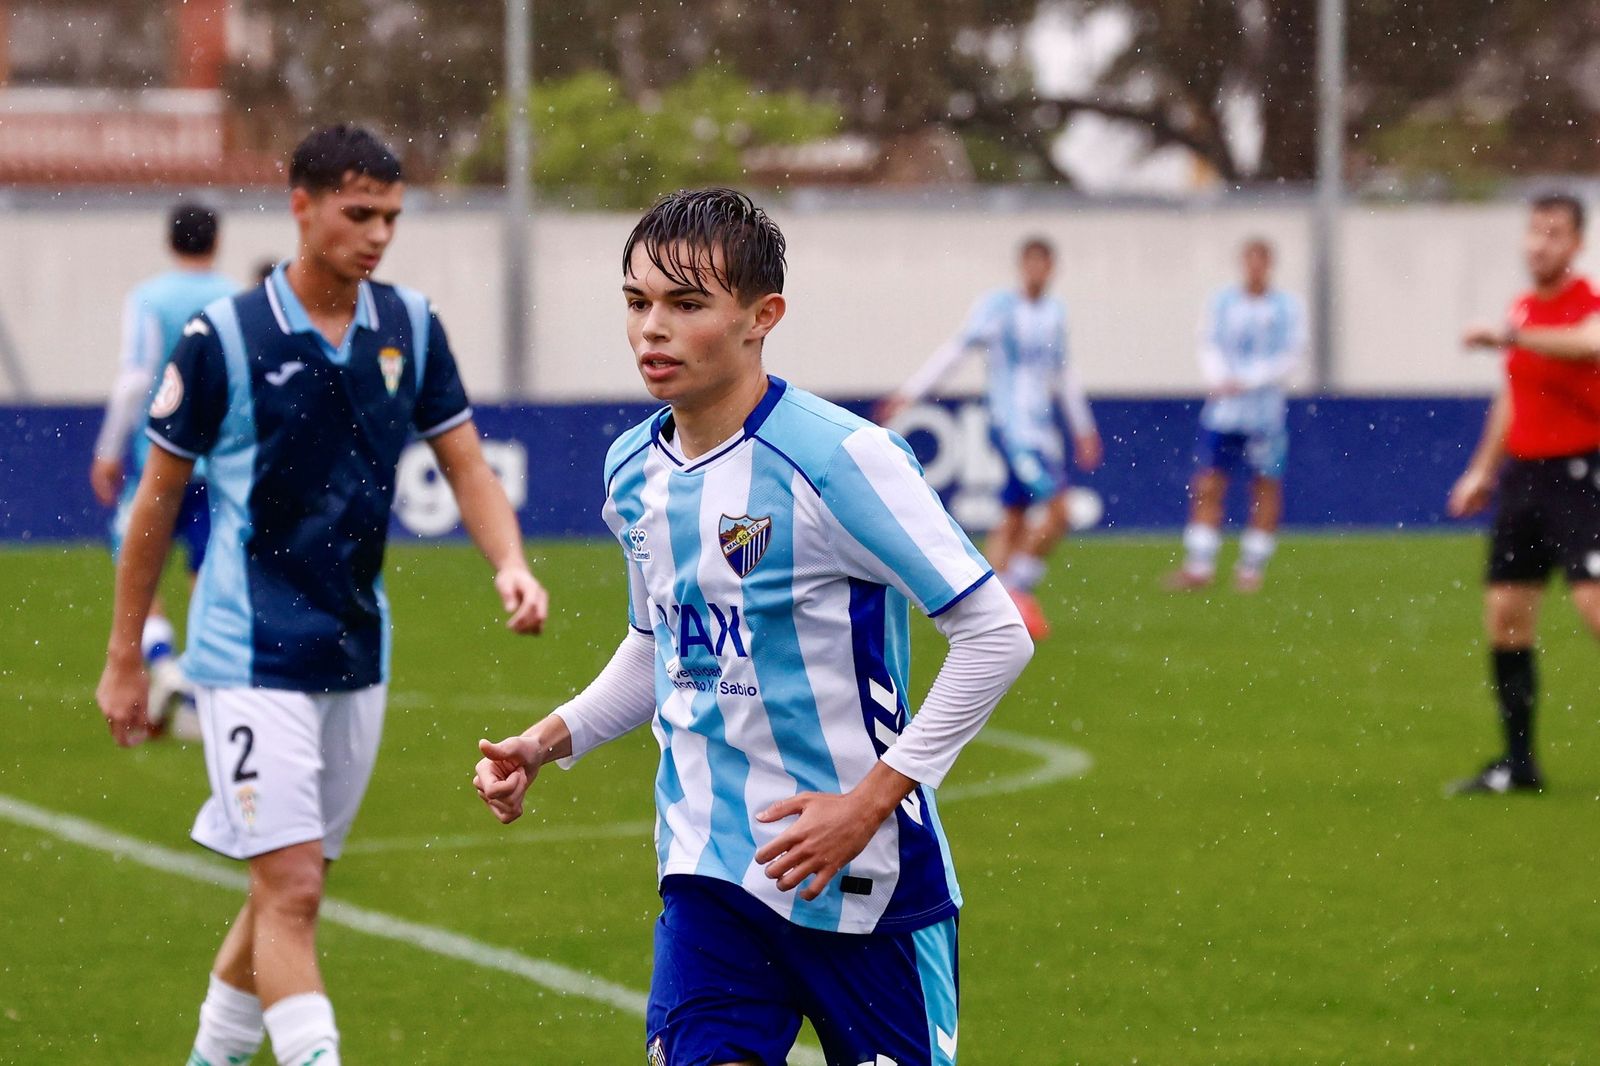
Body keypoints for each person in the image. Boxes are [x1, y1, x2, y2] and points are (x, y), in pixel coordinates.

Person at [474, 188, 1033, 1066]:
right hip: (711, 873)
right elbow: (659, 645)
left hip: (867, 886)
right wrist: (545, 742)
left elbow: (996, 634)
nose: (653, 329)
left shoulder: (842, 459)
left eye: (686, 304)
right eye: (637, 302)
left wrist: (867, 805)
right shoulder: (632, 471)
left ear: (761, 317)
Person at [95, 125, 550, 1066]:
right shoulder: (223, 338)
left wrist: (508, 560)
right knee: (294, 890)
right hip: (247, 651)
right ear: (300, 206)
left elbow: (465, 463)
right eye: (359, 213)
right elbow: (156, 502)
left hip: (355, 649)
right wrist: (124, 657)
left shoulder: (410, 326)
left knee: (284, 892)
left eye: (391, 216)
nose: (379, 234)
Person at [875, 236, 1103, 639]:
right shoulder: (998, 308)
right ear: (1021, 266)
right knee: (1060, 510)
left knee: (1013, 517)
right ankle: (1015, 592)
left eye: (1043, 264)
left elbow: (1064, 373)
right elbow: (956, 350)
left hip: (1041, 431)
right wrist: (911, 393)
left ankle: (989, 605)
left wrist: (1082, 427)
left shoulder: (1055, 313)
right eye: (1030, 263)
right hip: (1012, 430)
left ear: (1052, 268)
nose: (1037, 271)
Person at [1449, 192, 1600, 795]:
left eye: (1554, 233)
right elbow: (1514, 396)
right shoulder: (1523, 310)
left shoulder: (1585, 304)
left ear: (1576, 244)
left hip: (1582, 475)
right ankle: (1518, 765)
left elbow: (1589, 343)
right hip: (1525, 479)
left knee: (1595, 611)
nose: (1540, 243)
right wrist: (1482, 470)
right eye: (1534, 231)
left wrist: (1512, 335)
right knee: (1506, 618)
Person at [89, 203, 236, 733]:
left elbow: (136, 379)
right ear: (216, 241)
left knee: (137, 564)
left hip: (160, 461)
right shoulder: (234, 300)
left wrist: (108, 448)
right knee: (207, 575)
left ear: (170, 241)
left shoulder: (149, 299)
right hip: (217, 464)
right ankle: (197, 692)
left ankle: (164, 665)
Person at [1167, 238, 1305, 592]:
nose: (1255, 268)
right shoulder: (1223, 302)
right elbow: (1207, 342)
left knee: (1265, 486)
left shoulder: (1287, 307)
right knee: (1208, 483)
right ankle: (1200, 565)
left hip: (1265, 414)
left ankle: (1251, 568)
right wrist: (1218, 377)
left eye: (1261, 261)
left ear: (1269, 265)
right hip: (1224, 412)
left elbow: (1292, 355)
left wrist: (1249, 380)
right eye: (1250, 261)